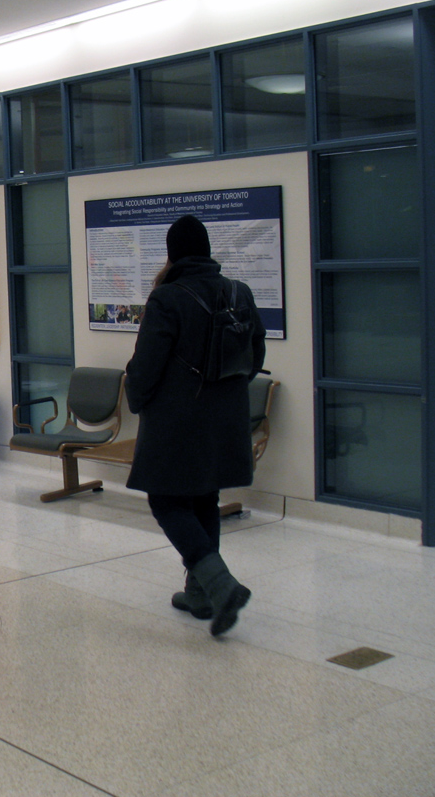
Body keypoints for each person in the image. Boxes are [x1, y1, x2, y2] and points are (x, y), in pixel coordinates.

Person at [125, 215, 266, 637]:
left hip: (178, 419)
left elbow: (146, 368)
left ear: (171, 254)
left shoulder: (167, 299)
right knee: (204, 495)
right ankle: (201, 593)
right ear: (206, 251)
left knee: (166, 501)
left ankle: (221, 586)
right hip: (226, 417)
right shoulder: (239, 293)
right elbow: (253, 359)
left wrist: (137, 398)